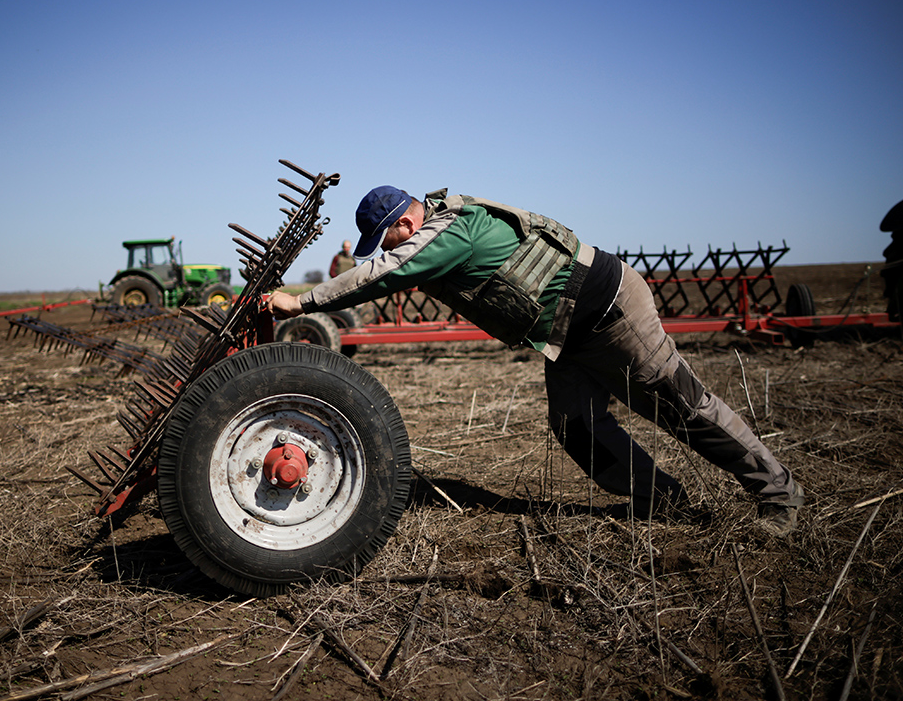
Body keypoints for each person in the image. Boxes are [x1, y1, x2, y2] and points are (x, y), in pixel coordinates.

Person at [269, 185, 805, 536]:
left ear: (405, 226)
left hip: (608, 309)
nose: (385, 251)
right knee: (576, 425)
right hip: (566, 334)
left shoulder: (447, 233)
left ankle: (779, 495)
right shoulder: (439, 229)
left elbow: (382, 275)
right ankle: (660, 500)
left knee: (681, 406)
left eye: (385, 241)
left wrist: (303, 300)